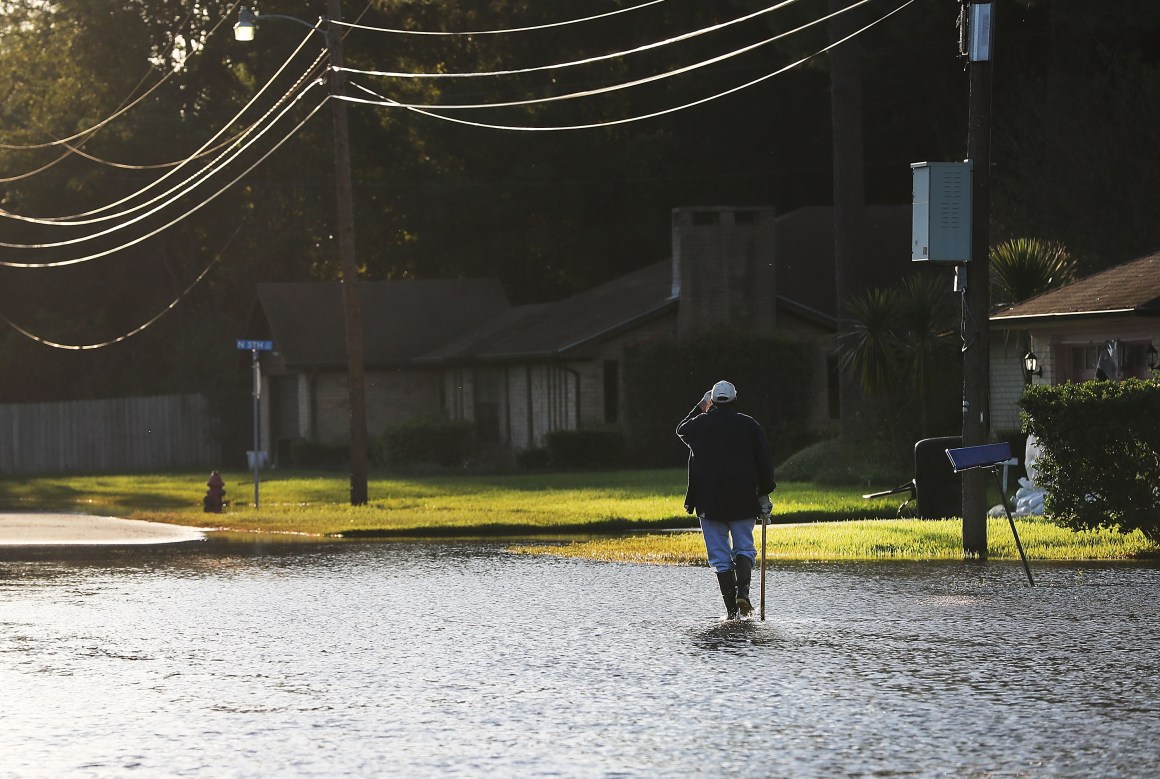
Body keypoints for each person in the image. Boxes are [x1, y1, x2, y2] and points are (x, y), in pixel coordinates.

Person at [676, 379, 775, 620]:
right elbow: (764, 463)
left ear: (713, 402)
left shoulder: (699, 425)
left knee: (720, 557)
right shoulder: (749, 425)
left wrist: (701, 405)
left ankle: (732, 613)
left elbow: (681, 428)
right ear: (734, 400)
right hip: (743, 499)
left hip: (709, 502)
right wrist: (764, 493)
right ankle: (743, 593)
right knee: (744, 547)